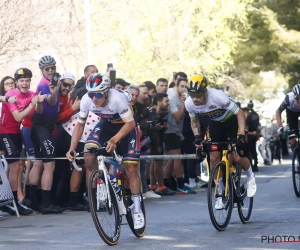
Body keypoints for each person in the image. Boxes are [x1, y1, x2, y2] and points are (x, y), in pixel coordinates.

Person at [66, 73, 144, 229]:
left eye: (98, 94)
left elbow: (130, 124)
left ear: (107, 91)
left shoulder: (118, 98)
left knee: (131, 168)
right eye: (91, 94)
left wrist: (115, 140)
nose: (94, 98)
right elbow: (80, 126)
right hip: (107, 124)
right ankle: (102, 184)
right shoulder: (87, 100)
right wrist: (72, 148)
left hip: (126, 127)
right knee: (88, 155)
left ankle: (137, 209)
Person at [185, 74, 257, 209]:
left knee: (236, 156)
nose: (195, 99)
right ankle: (220, 191)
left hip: (232, 121)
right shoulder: (189, 103)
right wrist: (197, 137)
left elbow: (240, 113)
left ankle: (250, 177)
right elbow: (194, 121)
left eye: (198, 95)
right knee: (213, 157)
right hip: (216, 123)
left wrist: (241, 136)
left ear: (205, 92)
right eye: (192, 95)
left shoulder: (218, 96)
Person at [0, 68, 45, 215]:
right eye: (21, 81)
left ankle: (8, 200)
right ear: (17, 82)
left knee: (18, 168)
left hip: (16, 133)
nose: (24, 83)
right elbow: (18, 117)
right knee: (14, 167)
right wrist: (32, 104)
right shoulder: (11, 94)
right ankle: (14, 203)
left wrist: (37, 102)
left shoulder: (32, 94)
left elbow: (39, 112)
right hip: (4, 132)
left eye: (27, 80)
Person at [276, 84, 300, 153]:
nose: (299, 101)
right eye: (297, 98)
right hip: (291, 114)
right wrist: (280, 126)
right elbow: (278, 111)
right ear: (294, 96)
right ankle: (297, 157)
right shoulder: (289, 98)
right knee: (293, 142)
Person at [246, 100, 260, 171]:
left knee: (248, 151)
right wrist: (257, 136)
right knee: (254, 150)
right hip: (254, 135)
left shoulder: (249, 115)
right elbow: (257, 126)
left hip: (249, 135)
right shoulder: (256, 115)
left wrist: (246, 136)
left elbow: (247, 126)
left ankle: (251, 165)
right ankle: (256, 164)